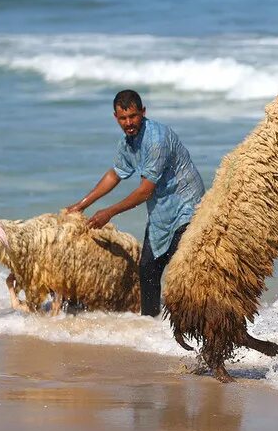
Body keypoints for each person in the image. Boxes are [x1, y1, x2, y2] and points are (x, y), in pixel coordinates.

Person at [66, 90, 205, 317]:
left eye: (133, 116)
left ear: (143, 112)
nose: (128, 123)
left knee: (183, 272)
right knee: (148, 269)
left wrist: (109, 212)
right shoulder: (128, 142)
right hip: (161, 213)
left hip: (187, 208)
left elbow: (144, 192)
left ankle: (196, 322)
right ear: (116, 118)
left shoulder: (156, 140)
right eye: (123, 118)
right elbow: (115, 174)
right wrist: (82, 205)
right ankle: (150, 326)